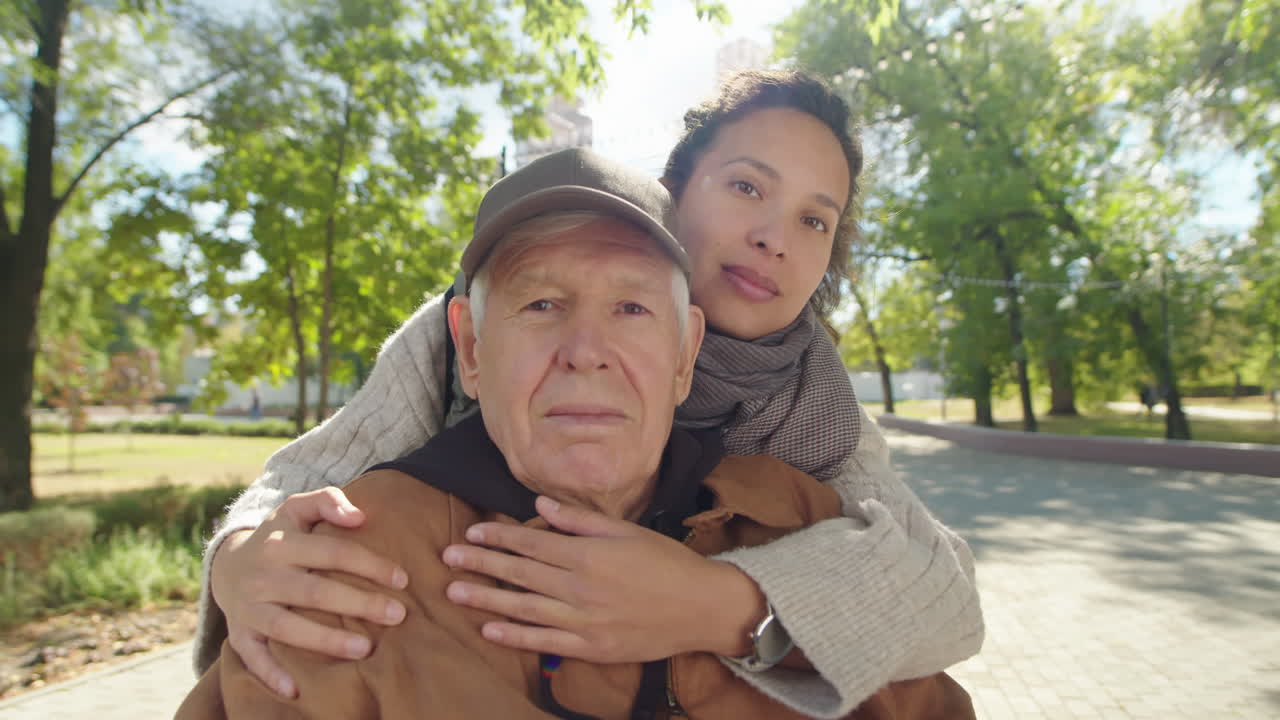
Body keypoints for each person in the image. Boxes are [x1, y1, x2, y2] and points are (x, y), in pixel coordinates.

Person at [198, 70, 983, 718]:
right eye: (747, 187)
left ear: (686, 351)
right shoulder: (441, 345)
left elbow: (937, 587)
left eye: (816, 221)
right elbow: (318, 470)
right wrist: (241, 558)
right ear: (673, 191)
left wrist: (721, 607)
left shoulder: (818, 412)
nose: (776, 236)